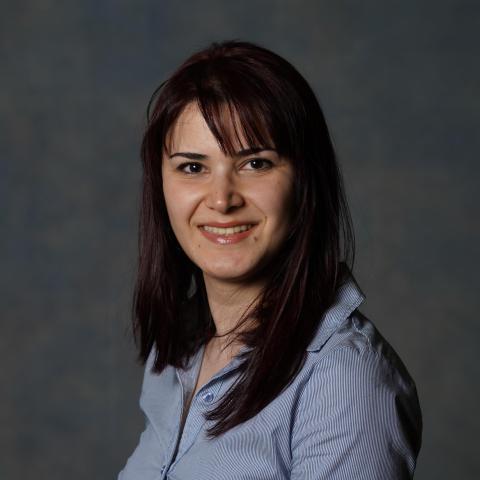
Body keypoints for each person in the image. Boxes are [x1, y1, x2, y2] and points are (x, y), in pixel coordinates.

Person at [118, 40, 422, 479]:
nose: (221, 200)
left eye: (256, 163)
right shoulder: (178, 353)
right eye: (192, 167)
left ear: (305, 182)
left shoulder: (344, 381)